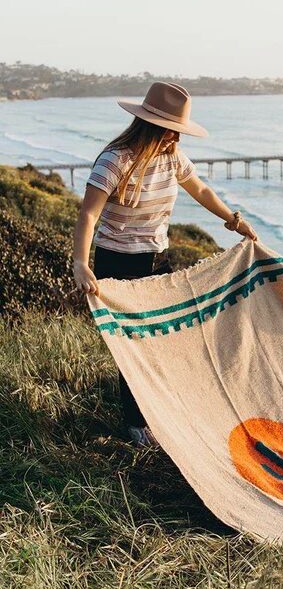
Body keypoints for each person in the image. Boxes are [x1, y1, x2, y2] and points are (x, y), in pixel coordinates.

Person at [73, 81, 258, 448]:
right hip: (117, 261)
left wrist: (233, 220)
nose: (178, 139)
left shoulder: (171, 156)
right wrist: (80, 262)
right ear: (156, 126)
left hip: (157, 258)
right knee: (134, 342)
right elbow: (88, 214)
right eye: (175, 131)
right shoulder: (116, 159)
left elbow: (201, 190)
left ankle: (155, 408)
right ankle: (136, 423)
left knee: (160, 338)